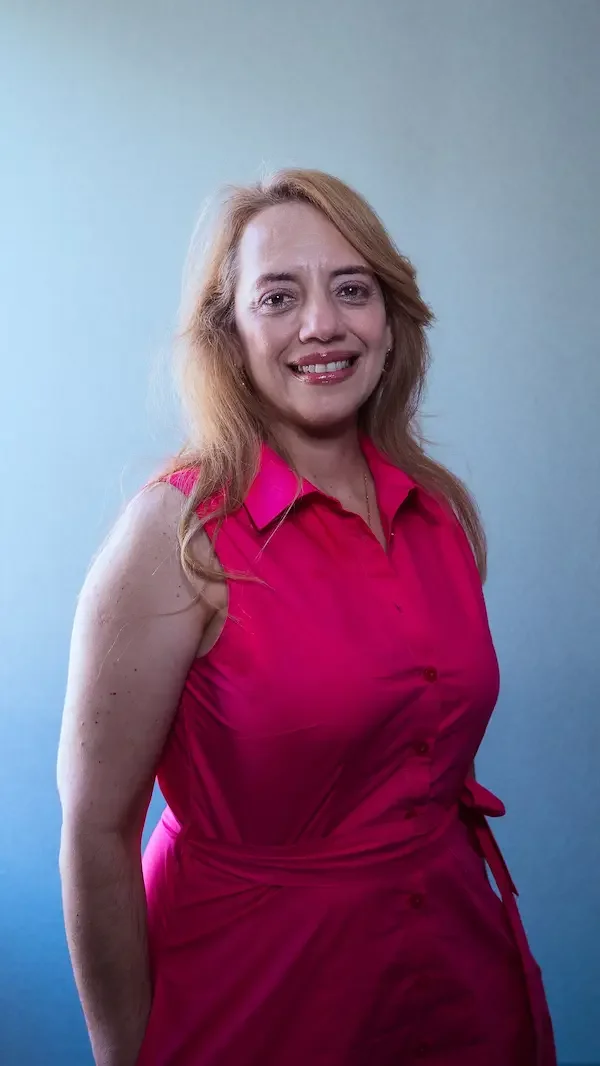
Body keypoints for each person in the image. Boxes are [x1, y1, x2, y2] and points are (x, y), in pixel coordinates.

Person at [57, 169, 556, 1066]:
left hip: (457, 977)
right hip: (255, 991)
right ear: (231, 333)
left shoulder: (440, 512)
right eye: (278, 297)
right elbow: (95, 832)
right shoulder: (175, 534)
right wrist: (122, 1053)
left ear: (390, 321)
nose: (322, 324)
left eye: (352, 290)